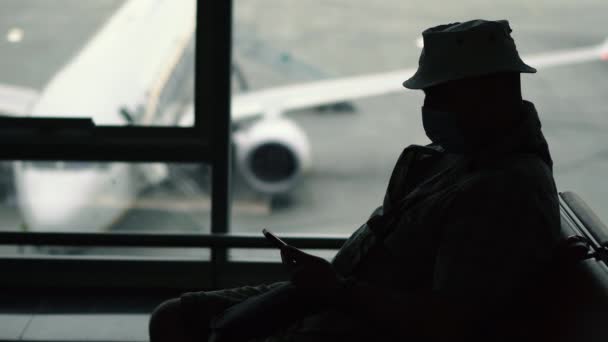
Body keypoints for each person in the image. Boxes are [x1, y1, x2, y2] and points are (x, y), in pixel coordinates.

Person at [149, 19, 561, 342]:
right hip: (341, 297)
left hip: (357, 318)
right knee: (176, 316)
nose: (428, 107)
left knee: (190, 326)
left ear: (485, 94)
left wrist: (336, 290)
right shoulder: (458, 157)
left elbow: (450, 325)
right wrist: (328, 284)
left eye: (437, 95)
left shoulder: (504, 191)